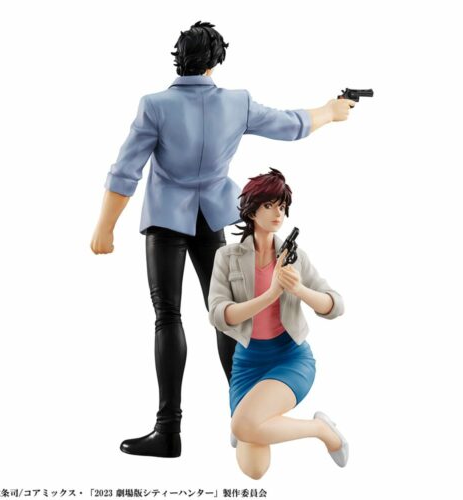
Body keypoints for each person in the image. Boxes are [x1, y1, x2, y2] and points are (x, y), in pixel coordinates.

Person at [90, 21, 355, 458]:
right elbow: (290, 124)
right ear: (215, 63)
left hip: (165, 221)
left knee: (168, 317)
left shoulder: (154, 105)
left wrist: (105, 226)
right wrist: (329, 111)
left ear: (179, 59)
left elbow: (125, 171)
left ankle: (169, 431)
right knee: (226, 317)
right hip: (213, 218)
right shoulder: (236, 103)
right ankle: (245, 412)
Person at [208, 168, 348, 479]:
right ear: (251, 210)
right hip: (246, 363)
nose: (278, 213)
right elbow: (218, 314)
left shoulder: (295, 258)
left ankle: (322, 430)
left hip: (290, 359)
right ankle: (253, 421)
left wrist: (300, 290)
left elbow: (335, 305)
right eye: (269, 205)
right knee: (255, 470)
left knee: (243, 426)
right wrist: (271, 294)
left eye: (282, 207)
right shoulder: (227, 257)